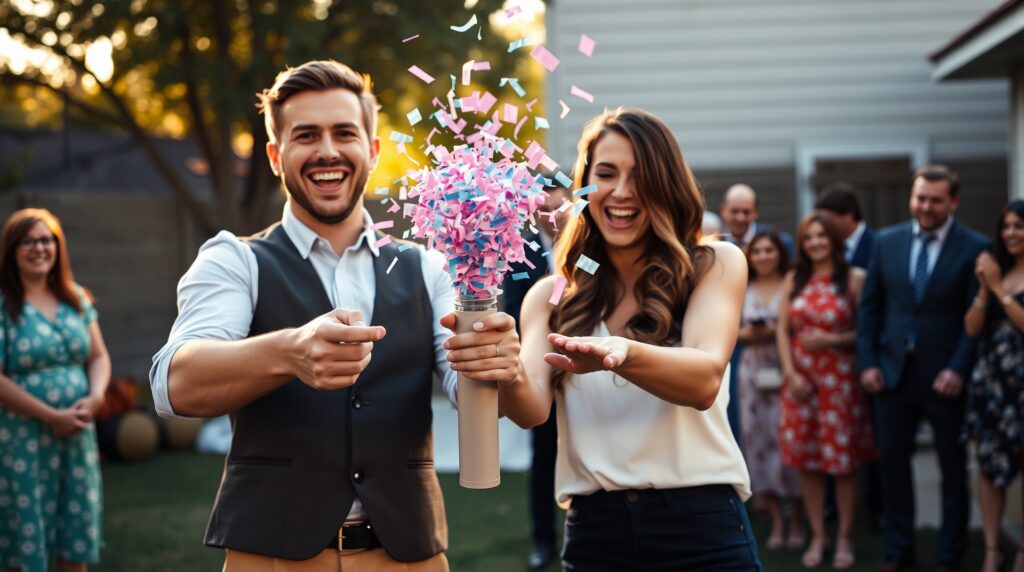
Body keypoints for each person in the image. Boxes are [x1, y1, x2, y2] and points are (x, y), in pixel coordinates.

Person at [150, 60, 535, 571]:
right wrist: (287, 352)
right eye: (306, 135)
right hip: (271, 555)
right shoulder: (234, 259)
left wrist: (501, 365)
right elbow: (172, 384)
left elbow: (489, 399)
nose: (327, 151)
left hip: (408, 555)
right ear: (274, 155)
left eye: (344, 133)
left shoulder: (429, 267)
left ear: (372, 151)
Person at [481, 107, 761, 570]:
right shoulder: (551, 295)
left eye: (641, 176)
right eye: (606, 173)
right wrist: (502, 366)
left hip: (701, 527)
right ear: (585, 186)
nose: (622, 191)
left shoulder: (712, 263)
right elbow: (531, 409)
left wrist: (621, 354)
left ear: (666, 184)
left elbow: (704, 381)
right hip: (596, 534)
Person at [856, 164, 989, 572]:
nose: (925, 207)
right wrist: (869, 362)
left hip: (945, 377)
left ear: (953, 202)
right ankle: (899, 550)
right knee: (893, 465)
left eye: (934, 200)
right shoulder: (886, 241)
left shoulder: (975, 248)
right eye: (920, 198)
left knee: (953, 468)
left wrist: (958, 369)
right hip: (892, 374)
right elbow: (870, 308)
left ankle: (950, 554)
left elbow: (977, 319)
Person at [0, 208, 111, 572]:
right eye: (27, 241)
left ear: (58, 246)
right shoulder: (3, 304)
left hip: (76, 433)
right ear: (11, 250)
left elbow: (98, 356)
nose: (39, 248)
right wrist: (52, 416)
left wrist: (94, 398)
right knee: (23, 529)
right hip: (22, 438)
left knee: (74, 531)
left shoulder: (75, 297)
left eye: (46, 239)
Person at [776, 212, 872, 570]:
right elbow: (783, 331)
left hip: (841, 385)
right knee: (807, 461)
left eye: (821, 236)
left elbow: (867, 333)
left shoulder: (855, 279)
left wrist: (833, 339)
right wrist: (790, 373)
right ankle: (818, 534)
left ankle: (845, 536)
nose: (815, 242)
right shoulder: (793, 279)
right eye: (809, 237)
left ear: (833, 239)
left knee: (843, 463)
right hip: (800, 384)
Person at [501, 182, 569, 572]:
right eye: (545, 209)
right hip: (542, 370)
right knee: (543, 460)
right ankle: (543, 542)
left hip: (589, 371)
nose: (552, 215)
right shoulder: (520, 251)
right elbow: (513, 310)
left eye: (559, 207)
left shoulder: (590, 247)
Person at [963, 199, 1024, 572]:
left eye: (1019, 226)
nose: (1011, 233)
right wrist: (986, 290)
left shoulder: (1008, 279)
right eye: (1006, 227)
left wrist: (1001, 290)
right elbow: (972, 327)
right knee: (988, 464)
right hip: (992, 381)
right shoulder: (997, 271)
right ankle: (991, 549)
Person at [737, 230, 804, 552]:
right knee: (760, 444)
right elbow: (730, 332)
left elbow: (798, 325)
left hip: (787, 369)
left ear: (779, 253)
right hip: (752, 374)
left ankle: (799, 518)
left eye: (770, 250)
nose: (764, 256)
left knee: (790, 444)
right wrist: (750, 333)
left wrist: (777, 330)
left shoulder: (792, 281)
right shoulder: (742, 286)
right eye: (758, 251)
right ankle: (776, 518)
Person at [719, 184, 795, 444]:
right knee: (743, 427)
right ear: (724, 212)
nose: (740, 217)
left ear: (756, 213)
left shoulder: (780, 242)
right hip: (736, 351)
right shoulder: (715, 246)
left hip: (780, 352)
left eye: (746, 212)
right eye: (735, 212)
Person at [815, 182, 875, 270]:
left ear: (848, 215)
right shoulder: (825, 246)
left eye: (828, 219)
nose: (823, 226)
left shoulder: (877, 246)